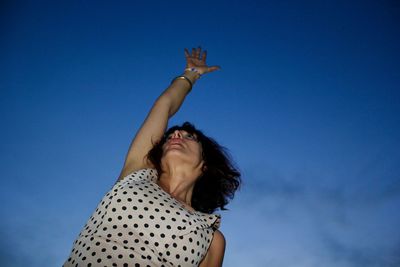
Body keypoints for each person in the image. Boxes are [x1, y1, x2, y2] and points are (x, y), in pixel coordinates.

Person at [64, 47, 241, 267]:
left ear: (206, 164)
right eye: (171, 135)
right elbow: (164, 106)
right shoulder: (139, 172)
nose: (176, 134)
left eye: (190, 136)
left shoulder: (212, 238)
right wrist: (192, 73)